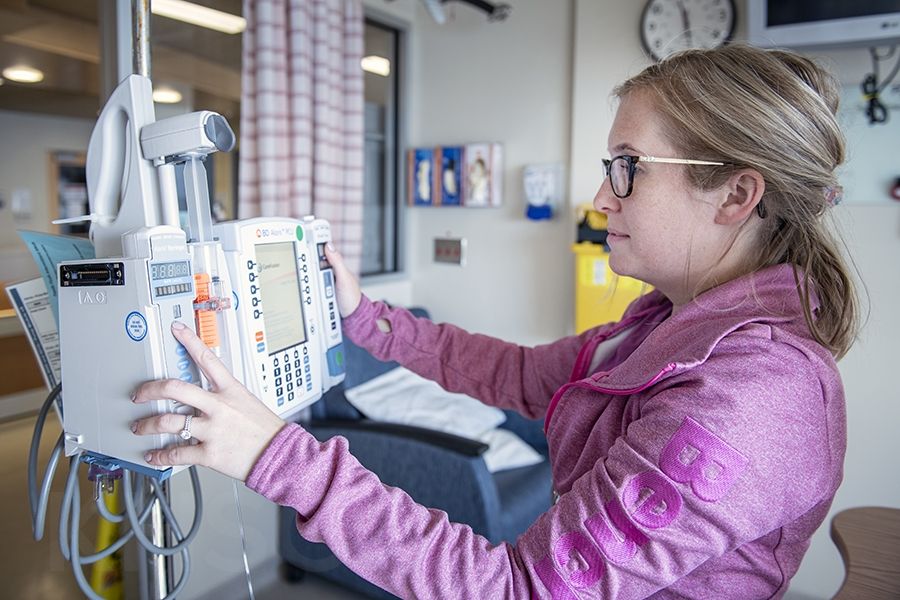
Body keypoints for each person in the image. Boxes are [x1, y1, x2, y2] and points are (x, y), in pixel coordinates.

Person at [131, 43, 860, 598]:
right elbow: (515, 372)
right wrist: (364, 315)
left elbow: (516, 588)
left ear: (735, 195)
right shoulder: (664, 327)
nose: (603, 198)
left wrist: (278, 457)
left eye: (628, 167)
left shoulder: (748, 396)